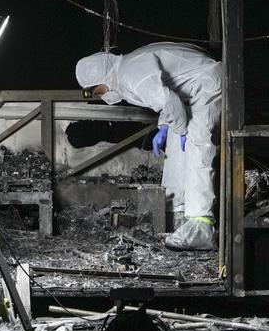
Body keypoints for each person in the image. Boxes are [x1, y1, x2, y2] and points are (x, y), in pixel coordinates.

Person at [75, 42, 222, 250]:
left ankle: (201, 225)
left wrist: (180, 130)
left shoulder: (129, 74)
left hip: (206, 84)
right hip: (191, 91)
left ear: (100, 78)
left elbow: (170, 102)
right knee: (175, 153)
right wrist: (164, 127)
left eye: (93, 91)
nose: (97, 95)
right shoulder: (126, 70)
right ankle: (178, 218)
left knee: (197, 148)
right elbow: (167, 95)